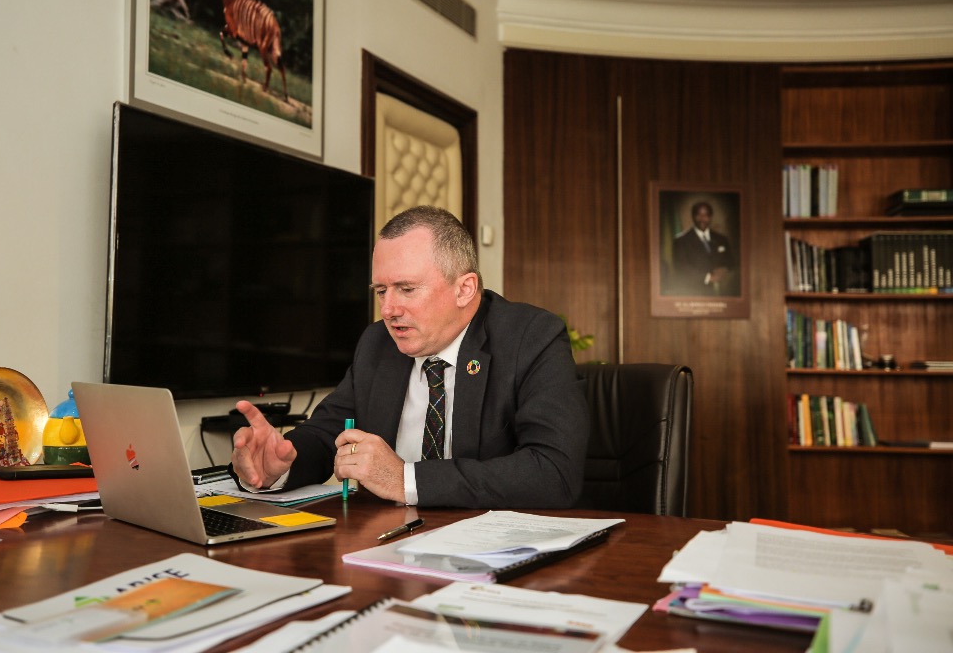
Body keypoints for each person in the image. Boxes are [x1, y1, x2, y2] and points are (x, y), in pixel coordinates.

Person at [231, 205, 588, 508]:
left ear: (465, 289)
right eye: (381, 291)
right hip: (385, 544)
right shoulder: (377, 343)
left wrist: (405, 479)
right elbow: (329, 433)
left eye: (406, 289)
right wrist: (282, 461)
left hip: (488, 553)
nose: (388, 309)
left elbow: (553, 471)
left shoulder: (531, 337)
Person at [669, 200, 737, 296]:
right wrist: (708, 278)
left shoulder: (721, 239)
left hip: (724, 293)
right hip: (694, 293)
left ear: (710, 217)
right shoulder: (681, 241)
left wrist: (724, 270)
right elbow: (681, 268)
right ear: (693, 216)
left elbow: (731, 262)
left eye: (706, 215)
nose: (702, 219)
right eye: (699, 215)